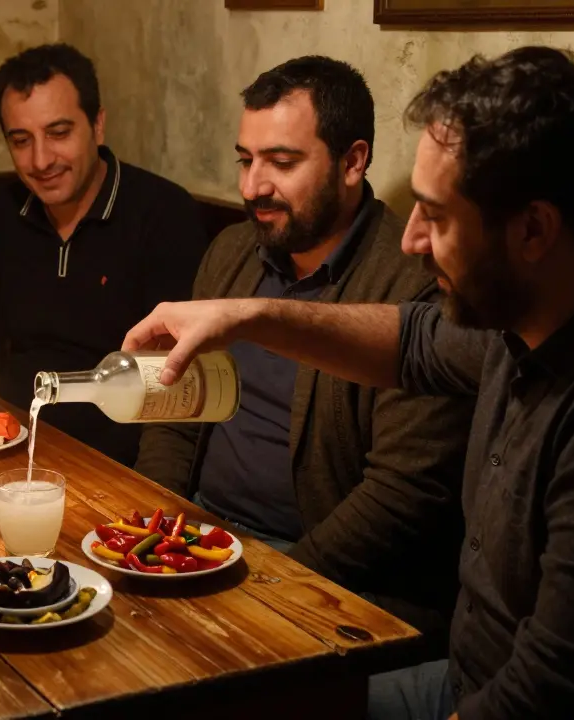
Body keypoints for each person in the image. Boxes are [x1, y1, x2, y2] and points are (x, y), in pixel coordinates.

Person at [123, 46, 574, 720]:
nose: (413, 239)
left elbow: (553, 690)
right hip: (465, 679)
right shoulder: (525, 315)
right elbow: (412, 343)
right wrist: (245, 315)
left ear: (534, 230)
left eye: (438, 217)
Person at [135, 56, 469, 642]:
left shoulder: (411, 279)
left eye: (281, 163)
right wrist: (154, 531)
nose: (251, 186)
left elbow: (403, 492)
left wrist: (273, 587)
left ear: (353, 161)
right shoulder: (233, 252)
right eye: (245, 160)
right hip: (198, 539)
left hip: (326, 576)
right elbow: (173, 409)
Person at [0, 43, 206, 467]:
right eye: (21, 140)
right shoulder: (1, 213)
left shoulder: (163, 214)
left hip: (119, 460)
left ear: (98, 125)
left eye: (59, 133)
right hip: (13, 448)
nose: (40, 160)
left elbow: (173, 386)